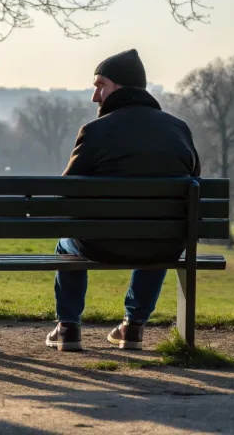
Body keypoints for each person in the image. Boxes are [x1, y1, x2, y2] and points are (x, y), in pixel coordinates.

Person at [46, 49, 201, 352]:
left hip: (101, 243)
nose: (94, 96)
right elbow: (194, 183)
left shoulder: (95, 131)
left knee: (66, 244)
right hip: (163, 243)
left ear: (118, 87)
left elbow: (65, 192)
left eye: (99, 85)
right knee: (159, 232)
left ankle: (67, 327)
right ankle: (133, 327)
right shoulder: (178, 129)